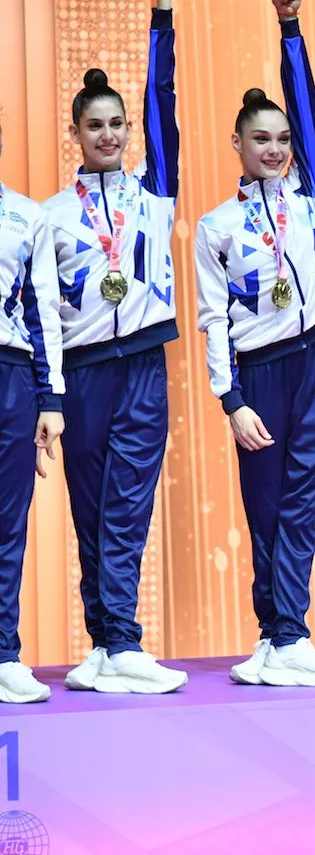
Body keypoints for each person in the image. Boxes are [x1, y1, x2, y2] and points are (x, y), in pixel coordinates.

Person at [192, 0, 315, 688]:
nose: (277, 148)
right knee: (266, 509)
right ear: (237, 143)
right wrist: (232, 402)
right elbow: (211, 320)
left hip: (314, 358)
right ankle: (276, 636)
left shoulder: (308, 195)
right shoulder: (215, 227)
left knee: (301, 500)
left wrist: (289, 24)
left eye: (283, 137)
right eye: (262, 138)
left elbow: (310, 112)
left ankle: (287, 634)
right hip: (258, 374)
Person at [44, 0, 185, 694]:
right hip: (82, 375)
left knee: (127, 500)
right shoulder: (52, 216)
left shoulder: (152, 194)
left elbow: (162, 97)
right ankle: (103, 644)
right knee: (90, 507)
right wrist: (50, 394)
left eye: (118, 124)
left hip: (142, 367)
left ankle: (124, 640)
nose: (109, 135)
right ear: (76, 132)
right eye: (95, 125)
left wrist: (161, 6)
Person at [0, 123, 65, 703]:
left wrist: (50, 399)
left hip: (11, 377)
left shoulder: (27, 218)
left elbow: (43, 309)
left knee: (6, 522)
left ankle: (2, 653)